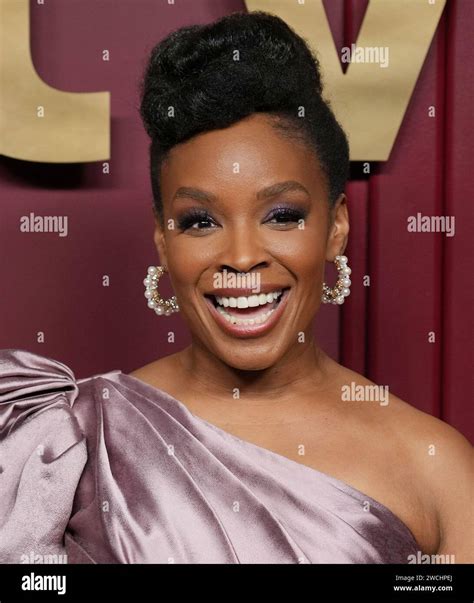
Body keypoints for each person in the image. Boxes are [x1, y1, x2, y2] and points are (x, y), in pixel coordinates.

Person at [0, 11, 472, 564]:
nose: (242, 258)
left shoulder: (436, 468)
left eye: (282, 214)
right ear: (162, 240)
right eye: (200, 221)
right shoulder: (69, 440)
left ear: (335, 227)